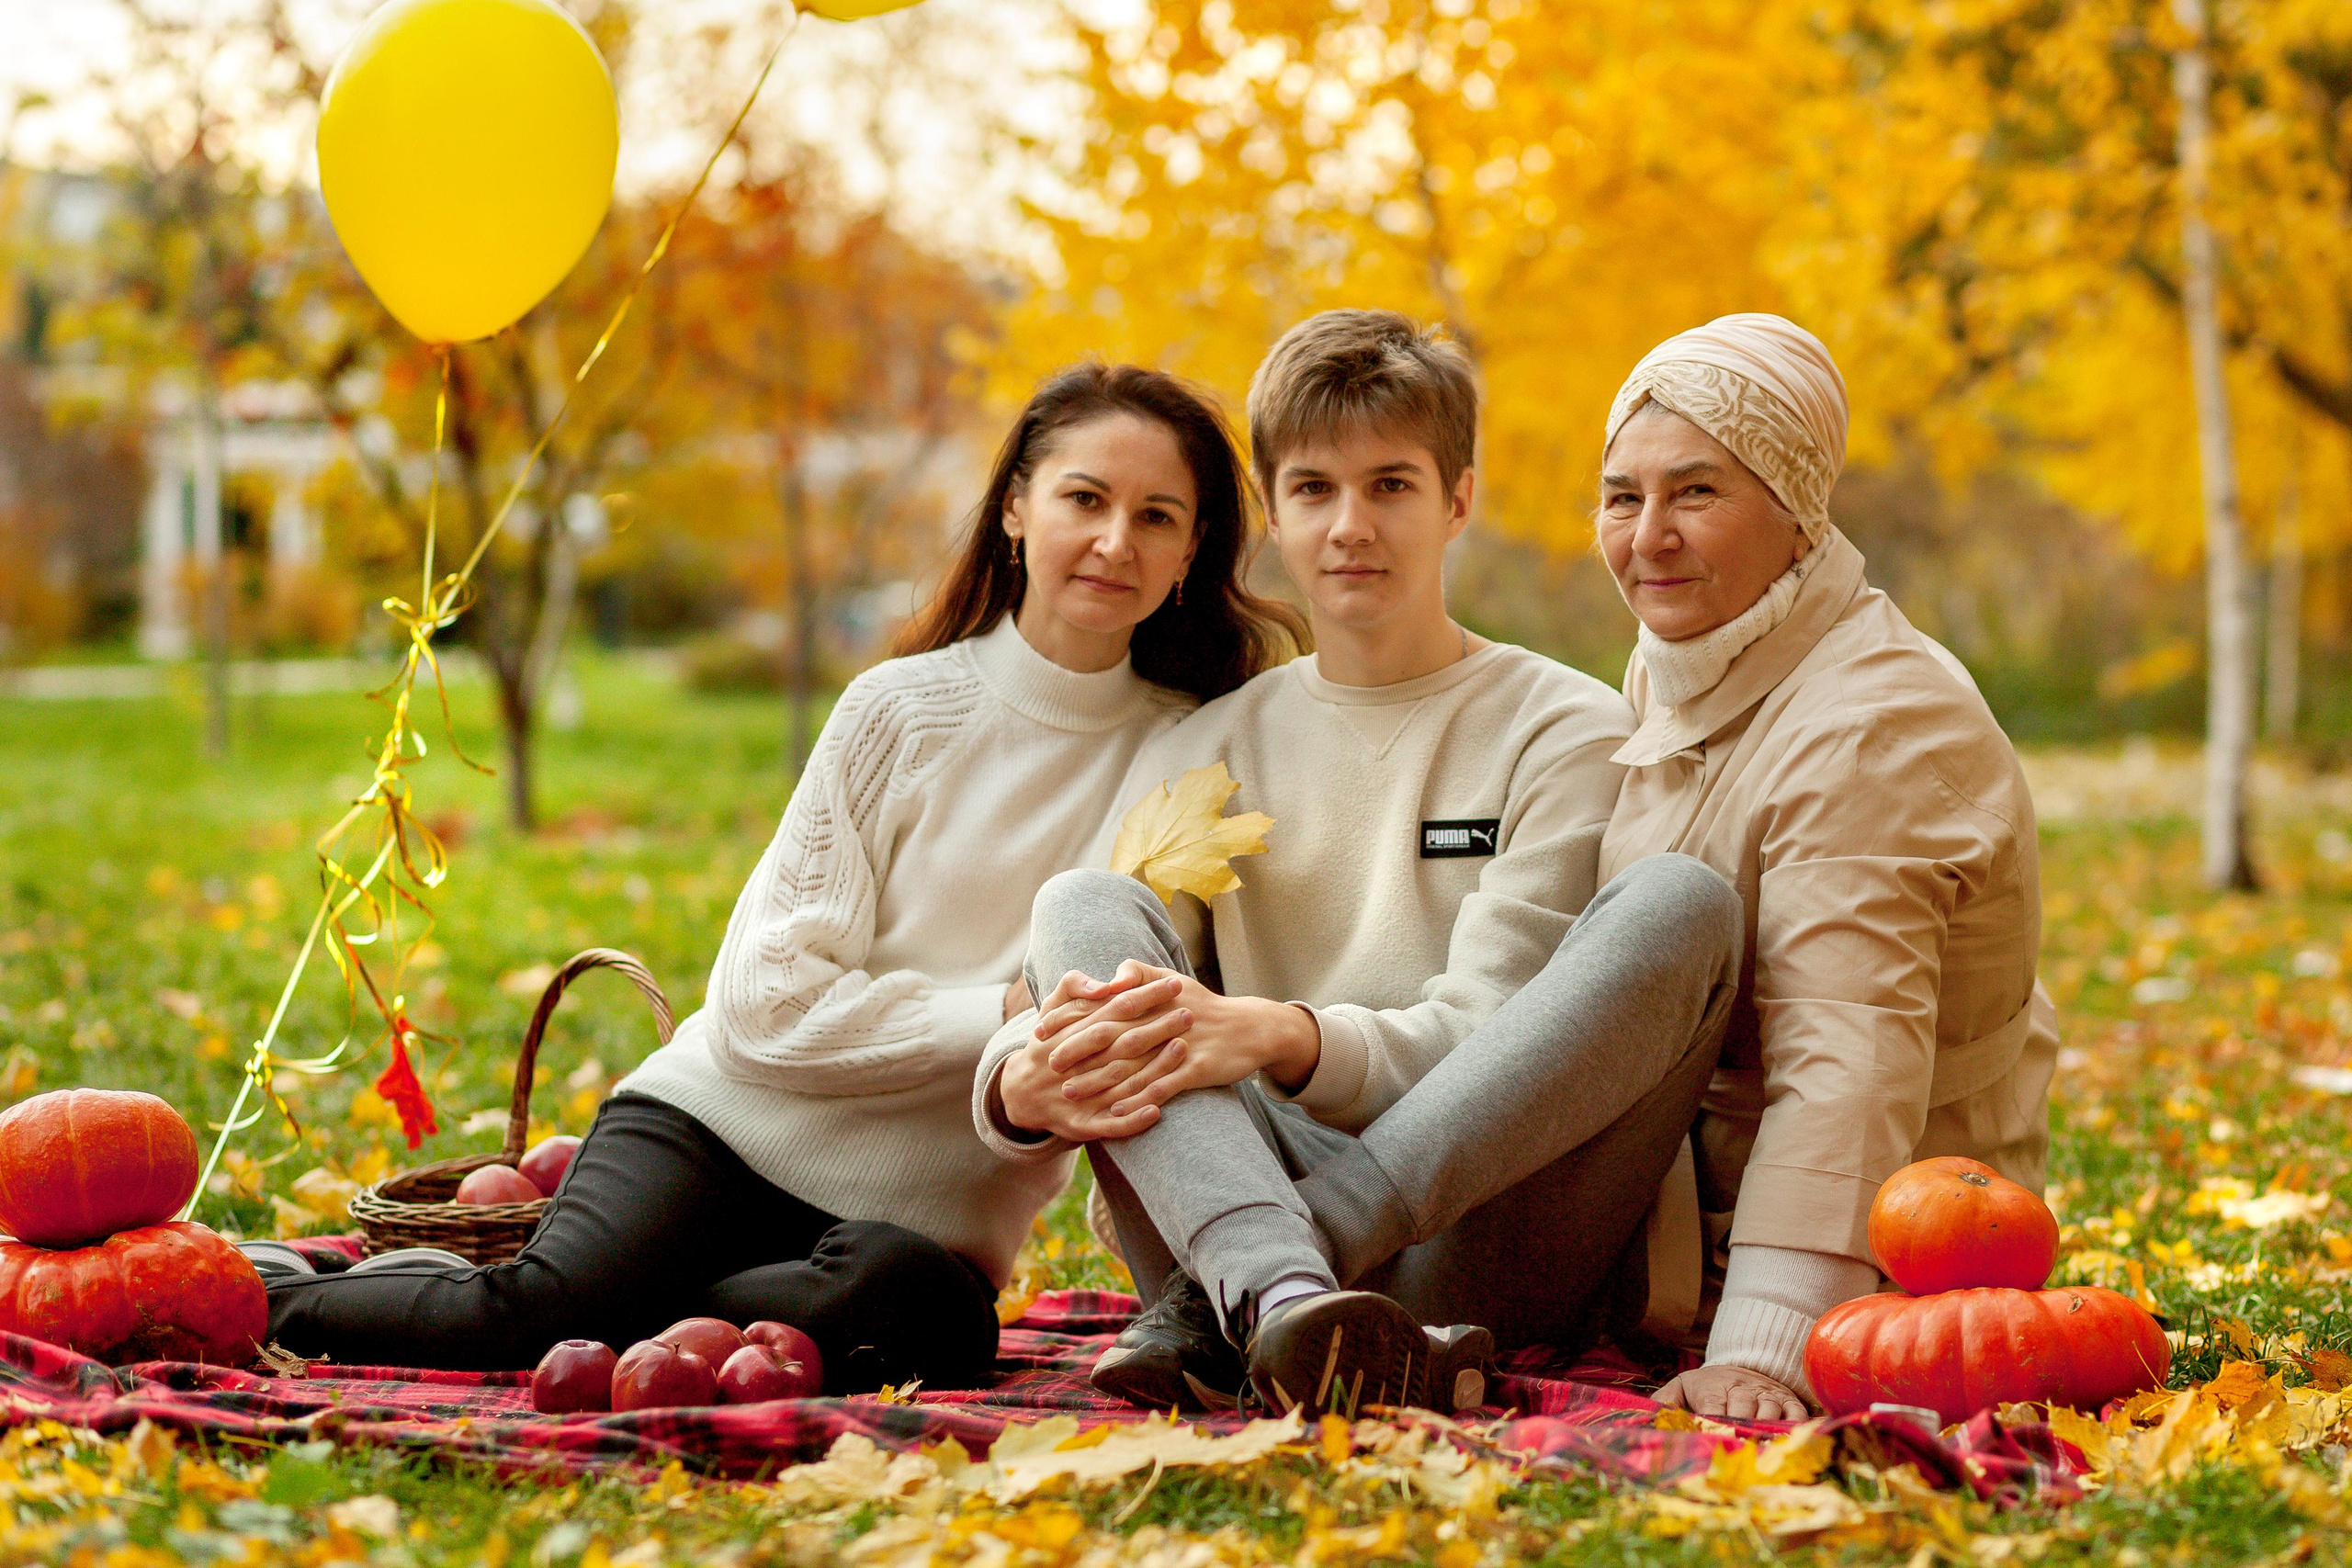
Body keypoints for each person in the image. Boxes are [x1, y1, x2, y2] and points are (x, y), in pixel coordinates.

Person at [258, 363, 1305, 1390]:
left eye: (1157, 516)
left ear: (1191, 552)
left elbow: (1170, 1019)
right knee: (536, 1316)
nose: (1116, 540)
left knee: (933, 1327)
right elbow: (765, 1003)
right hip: (721, 1134)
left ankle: (661, 1305)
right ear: (1016, 512)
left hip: (913, 1232)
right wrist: (1006, 1012)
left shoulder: (1199, 759)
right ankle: (250, 1295)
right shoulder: (899, 710)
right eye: (1085, 498)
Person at [971, 310, 1746, 1416]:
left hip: (1483, 1227)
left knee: (1683, 905)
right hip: (1237, 1196)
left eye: (1390, 485)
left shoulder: (1562, 729)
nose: (1351, 526)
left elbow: (1498, 1040)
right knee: (1081, 904)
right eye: (1314, 490)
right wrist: (1012, 1083)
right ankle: (1289, 1295)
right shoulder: (1205, 746)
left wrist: (1290, 1036)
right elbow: (1085, 1012)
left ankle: (1270, 1286)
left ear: (1458, 499)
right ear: (1273, 512)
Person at [1591, 314, 2055, 1421]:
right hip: (1675, 1204)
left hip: (1882, 1260)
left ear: (1796, 514)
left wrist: (1767, 1348)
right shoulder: (1688, 659)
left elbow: (1849, 1058)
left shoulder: (1876, 720)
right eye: (1621, 496)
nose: (1647, 536)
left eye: (1695, 493)